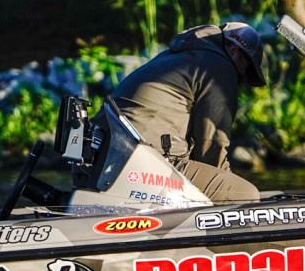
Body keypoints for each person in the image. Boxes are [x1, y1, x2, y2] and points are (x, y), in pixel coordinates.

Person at [99, 21, 266, 204]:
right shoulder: (220, 67)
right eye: (247, 70)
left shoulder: (178, 56)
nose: (242, 80)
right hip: (144, 163)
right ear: (234, 51)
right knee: (246, 195)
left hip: (109, 156)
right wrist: (227, 189)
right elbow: (211, 147)